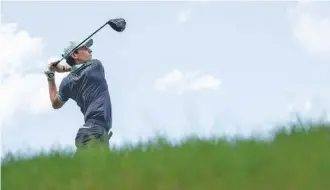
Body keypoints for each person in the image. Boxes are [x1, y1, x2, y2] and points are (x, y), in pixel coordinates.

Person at [44, 39, 113, 150]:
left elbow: (55, 103)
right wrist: (62, 69)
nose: (90, 50)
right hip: (94, 131)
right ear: (75, 54)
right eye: (85, 48)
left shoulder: (67, 82)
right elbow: (81, 68)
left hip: (93, 131)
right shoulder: (96, 65)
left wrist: (51, 77)